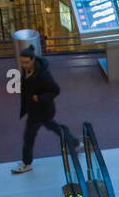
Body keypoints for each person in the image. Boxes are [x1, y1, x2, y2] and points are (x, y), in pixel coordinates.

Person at [12, 47, 77, 175]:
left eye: (26, 62)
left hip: (40, 110)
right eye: (22, 62)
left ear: (33, 60)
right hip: (37, 110)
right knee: (53, 127)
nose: (24, 65)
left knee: (29, 136)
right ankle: (73, 142)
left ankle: (26, 163)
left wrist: (39, 97)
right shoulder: (27, 71)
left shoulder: (43, 75)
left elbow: (55, 90)